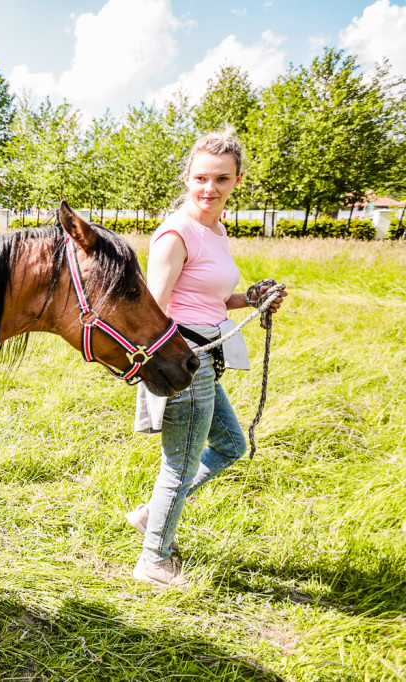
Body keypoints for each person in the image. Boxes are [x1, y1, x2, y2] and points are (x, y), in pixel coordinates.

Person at [127, 128, 288, 587]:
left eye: (221, 178)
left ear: (237, 180)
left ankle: (151, 516)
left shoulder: (214, 229)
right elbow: (154, 309)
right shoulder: (176, 233)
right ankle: (153, 559)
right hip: (182, 360)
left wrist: (249, 299)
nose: (208, 188)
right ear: (187, 178)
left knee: (232, 446)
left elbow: (206, 297)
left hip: (204, 358)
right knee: (179, 463)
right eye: (200, 177)